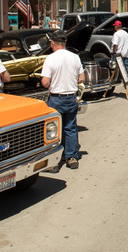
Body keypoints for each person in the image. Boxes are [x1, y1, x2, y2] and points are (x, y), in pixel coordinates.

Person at [41, 31, 85, 171]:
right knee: (71, 127)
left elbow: (45, 82)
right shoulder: (75, 57)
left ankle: (55, 161)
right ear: (64, 43)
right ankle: (71, 157)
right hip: (71, 97)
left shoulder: (50, 59)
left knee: (55, 129)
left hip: (56, 98)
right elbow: (82, 78)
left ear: (53, 43)